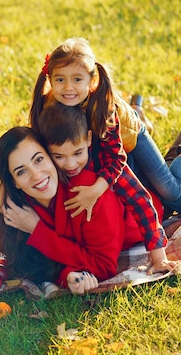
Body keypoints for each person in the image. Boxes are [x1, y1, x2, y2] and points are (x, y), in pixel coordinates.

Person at [0, 126, 173, 296]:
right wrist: (69, 276)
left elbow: (102, 266)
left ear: (50, 156)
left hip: (153, 195)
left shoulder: (87, 192)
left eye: (39, 159)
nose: (36, 175)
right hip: (108, 168)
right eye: (21, 172)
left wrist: (37, 231)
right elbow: (40, 265)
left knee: (173, 181)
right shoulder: (21, 209)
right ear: (14, 182)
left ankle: (136, 115)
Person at [29, 37, 181, 220]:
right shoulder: (49, 106)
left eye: (77, 79)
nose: (68, 87)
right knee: (148, 184)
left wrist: (96, 189)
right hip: (105, 141)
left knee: (170, 194)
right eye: (60, 79)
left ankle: (143, 121)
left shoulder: (103, 110)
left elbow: (115, 158)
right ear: (50, 80)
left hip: (130, 135)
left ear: (92, 81)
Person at [38, 101, 176, 273]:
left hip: (149, 208)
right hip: (121, 166)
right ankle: (137, 112)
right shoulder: (48, 168)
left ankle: (136, 116)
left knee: (172, 184)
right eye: (59, 156)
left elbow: (141, 202)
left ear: (88, 139)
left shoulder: (107, 168)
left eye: (78, 153)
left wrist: (159, 258)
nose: (70, 164)